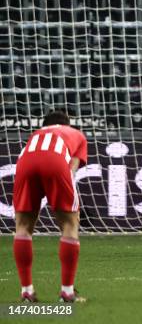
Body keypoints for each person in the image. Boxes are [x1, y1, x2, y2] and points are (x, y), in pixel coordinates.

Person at [12, 110, 88, 302]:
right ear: (67, 125)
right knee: (70, 225)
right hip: (55, 161)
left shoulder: (35, 135)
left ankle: (27, 291)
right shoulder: (76, 134)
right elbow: (72, 170)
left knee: (23, 227)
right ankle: (67, 292)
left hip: (25, 162)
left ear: (45, 124)